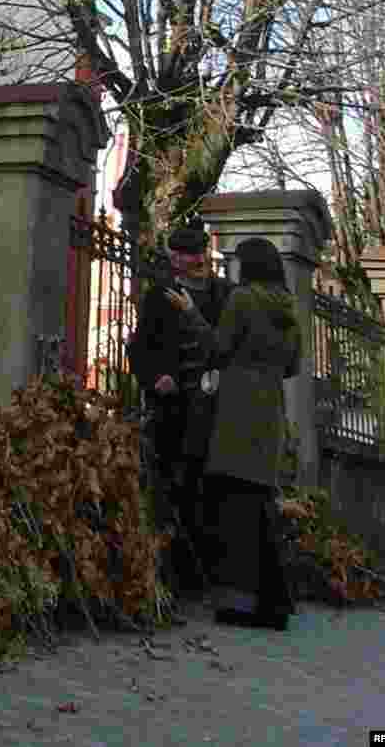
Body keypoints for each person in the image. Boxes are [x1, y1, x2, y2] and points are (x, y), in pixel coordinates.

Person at [164, 236, 301, 629]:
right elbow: (292, 366)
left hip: (237, 414)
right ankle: (274, 604)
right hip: (270, 413)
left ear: (250, 266)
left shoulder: (242, 300)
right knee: (260, 509)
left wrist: (191, 312)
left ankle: (240, 604)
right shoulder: (288, 307)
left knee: (234, 511)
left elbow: (217, 348)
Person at [126, 225, 230, 596]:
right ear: (175, 258)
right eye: (189, 253)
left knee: (212, 491)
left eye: (201, 250)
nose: (199, 258)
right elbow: (138, 350)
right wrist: (157, 378)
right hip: (176, 411)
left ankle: (210, 572)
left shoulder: (224, 293)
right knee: (176, 490)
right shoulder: (160, 297)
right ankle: (178, 575)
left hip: (218, 410)